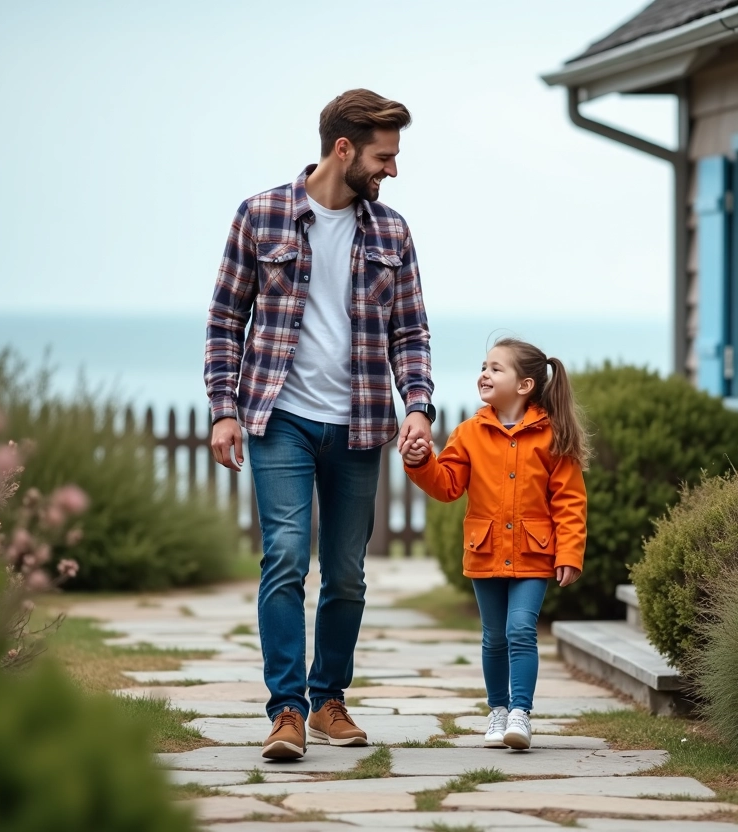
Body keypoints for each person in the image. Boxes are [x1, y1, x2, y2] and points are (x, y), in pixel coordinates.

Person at [204, 89, 436, 760]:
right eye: (384, 157)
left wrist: (417, 406)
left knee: (346, 572)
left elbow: (411, 332)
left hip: (359, 422)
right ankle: (287, 711)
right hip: (280, 415)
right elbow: (225, 320)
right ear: (343, 149)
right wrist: (224, 410)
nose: (392, 170)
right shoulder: (261, 215)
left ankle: (330, 698)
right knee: (284, 555)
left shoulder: (392, 232)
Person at [401, 338, 588, 750]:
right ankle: (498, 711)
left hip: (534, 554)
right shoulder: (468, 433)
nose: (484, 374)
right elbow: (447, 485)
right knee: (494, 637)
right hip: (485, 551)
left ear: (524, 385)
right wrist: (421, 462)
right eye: (484, 367)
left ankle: (520, 713)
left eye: (496, 368)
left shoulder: (553, 436)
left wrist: (570, 552)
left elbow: (570, 501)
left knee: (520, 629)